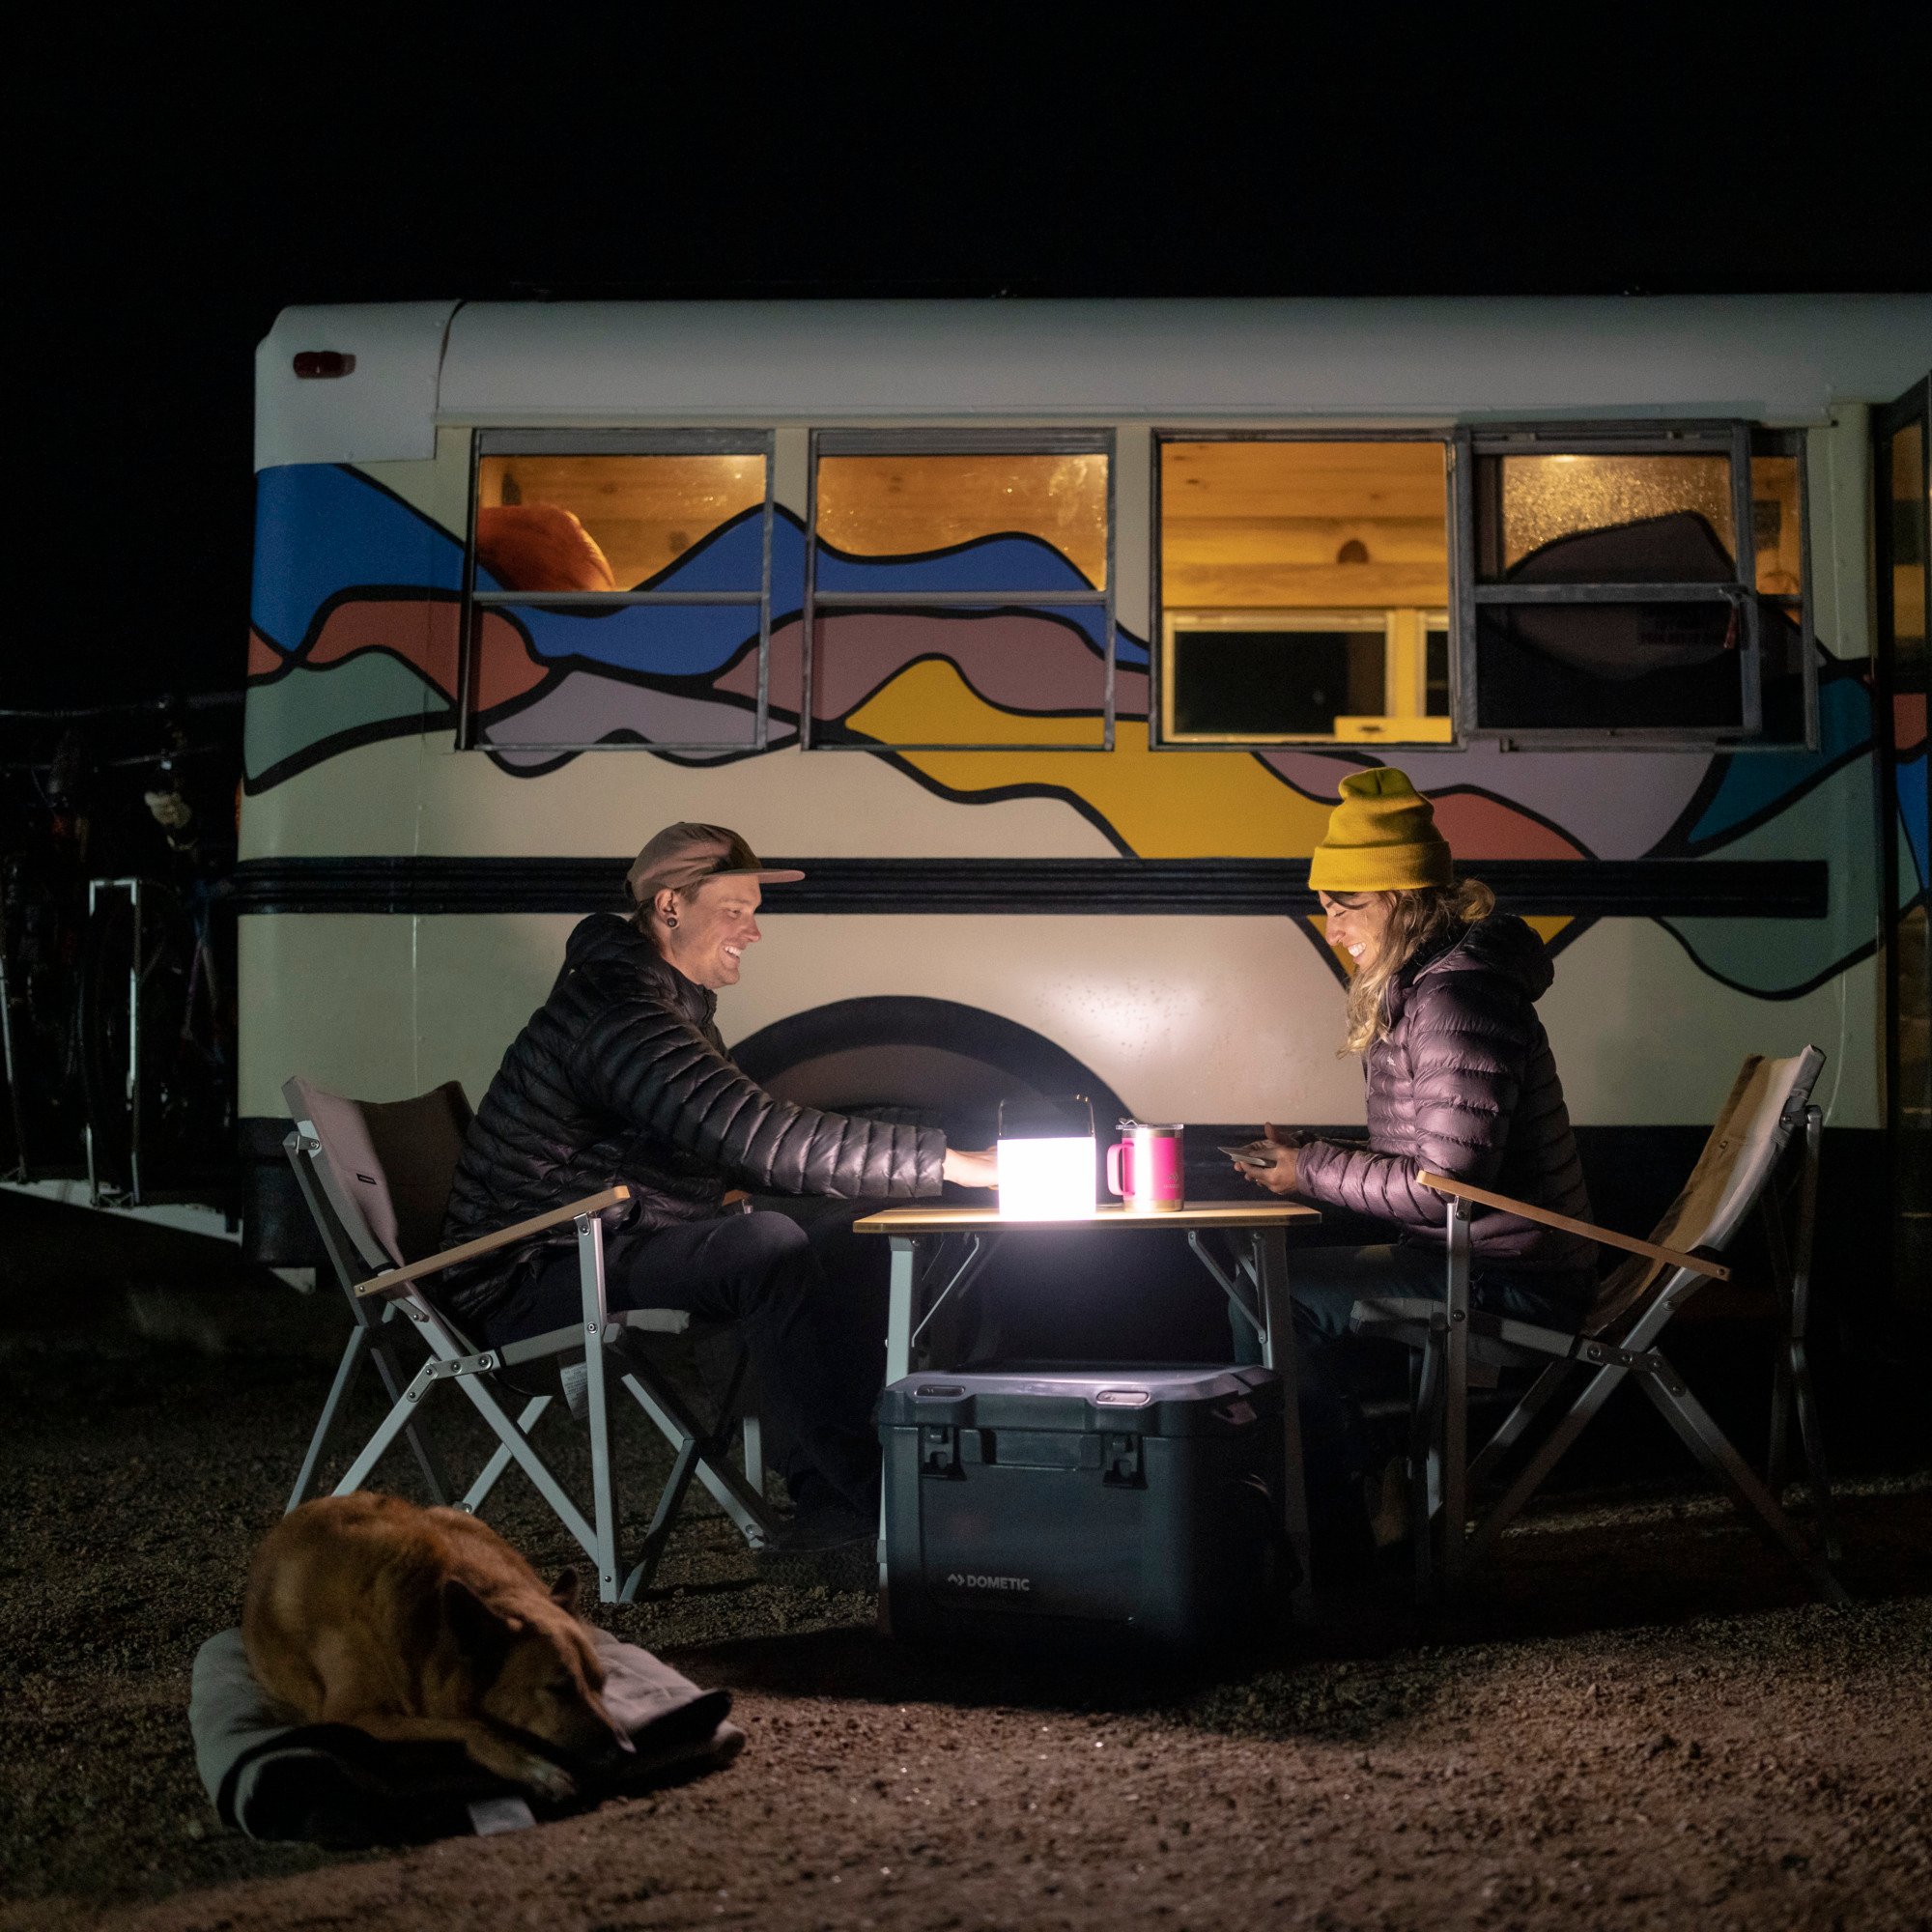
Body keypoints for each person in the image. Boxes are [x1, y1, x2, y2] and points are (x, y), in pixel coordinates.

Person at [439, 822, 998, 1584]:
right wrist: (944, 1161)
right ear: (670, 905)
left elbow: (732, 1134)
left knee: (852, 1233)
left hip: (611, 1236)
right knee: (763, 1247)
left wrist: (904, 1161)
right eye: (735, 909)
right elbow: (749, 1135)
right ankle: (850, 1509)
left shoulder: (664, 1000)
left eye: (753, 910)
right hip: (530, 1274)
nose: (754, 930)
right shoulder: (618, 1011)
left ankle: (860, 1489)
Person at [1236, 768, 1594, 1565]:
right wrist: (1313, 1159)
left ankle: (1340, 1524)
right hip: (1473, 1257)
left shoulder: (1455, 998)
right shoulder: (1433, 984)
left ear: (1400, 897)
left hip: (1513, 1276)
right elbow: (1437, 1165)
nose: (1331, 928)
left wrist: (1309, 1171)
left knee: (1268, 1299)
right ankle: (1355, 1498)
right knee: (1264, 1284)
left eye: (1344, 905)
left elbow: (1448, 1189)